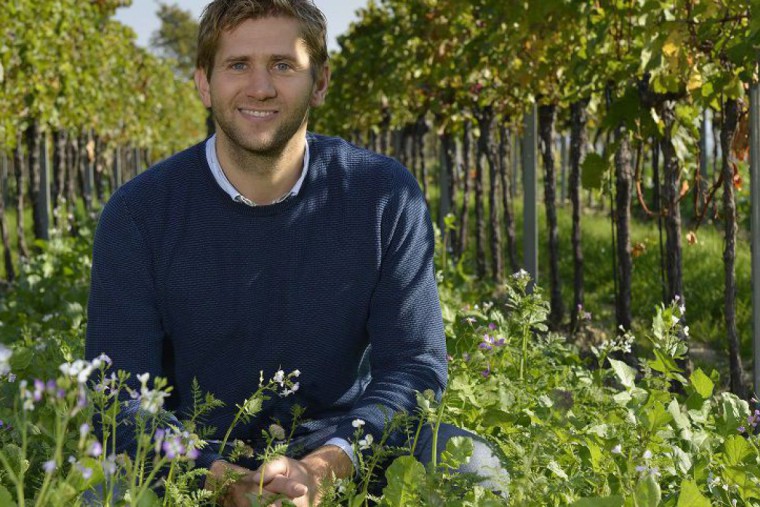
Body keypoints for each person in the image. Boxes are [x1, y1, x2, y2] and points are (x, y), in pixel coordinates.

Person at [85, 0, 508, 505]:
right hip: (192, 454)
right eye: (238, 65)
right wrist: (215, 476)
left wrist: (325, 468)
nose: (260, 87)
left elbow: (414, 366)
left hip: (348, 448)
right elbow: (120, 395)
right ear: (204, 82)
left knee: (476, 469)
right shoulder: (139, 212)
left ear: (321, 83)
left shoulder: (383, 197)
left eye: (283, 65)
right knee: (103, 491)